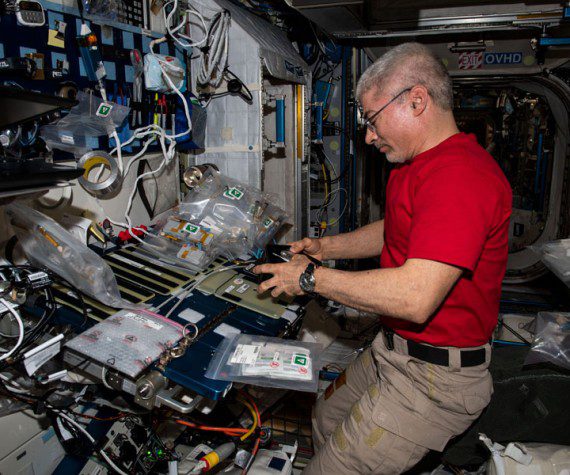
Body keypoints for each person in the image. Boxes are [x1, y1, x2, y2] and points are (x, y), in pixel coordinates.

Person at [253, 42, 512, 474]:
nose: (369, 135)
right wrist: (329, 248)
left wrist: (311, 279)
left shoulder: (460, 176)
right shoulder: (415, 164)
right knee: (325, 416)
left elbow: (415, 297)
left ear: (416, 100)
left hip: (435, 380)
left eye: (372, 120)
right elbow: (400, 229)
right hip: (391, 351)